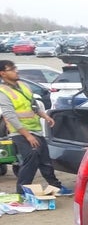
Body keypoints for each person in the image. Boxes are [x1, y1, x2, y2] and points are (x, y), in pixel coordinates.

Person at [0, 59, 73, 196]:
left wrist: (45, 116)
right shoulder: (3, 92)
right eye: (12, 69)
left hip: (36, 129)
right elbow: (10, 116)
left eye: (15, 67)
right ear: (3, 73)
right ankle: (22, 192)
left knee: (45, 160)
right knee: (31, 159)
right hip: (20, 133)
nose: (16, 70)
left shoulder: (23, 86)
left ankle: (55, 187)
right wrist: (28, 135)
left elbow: (33, 105)